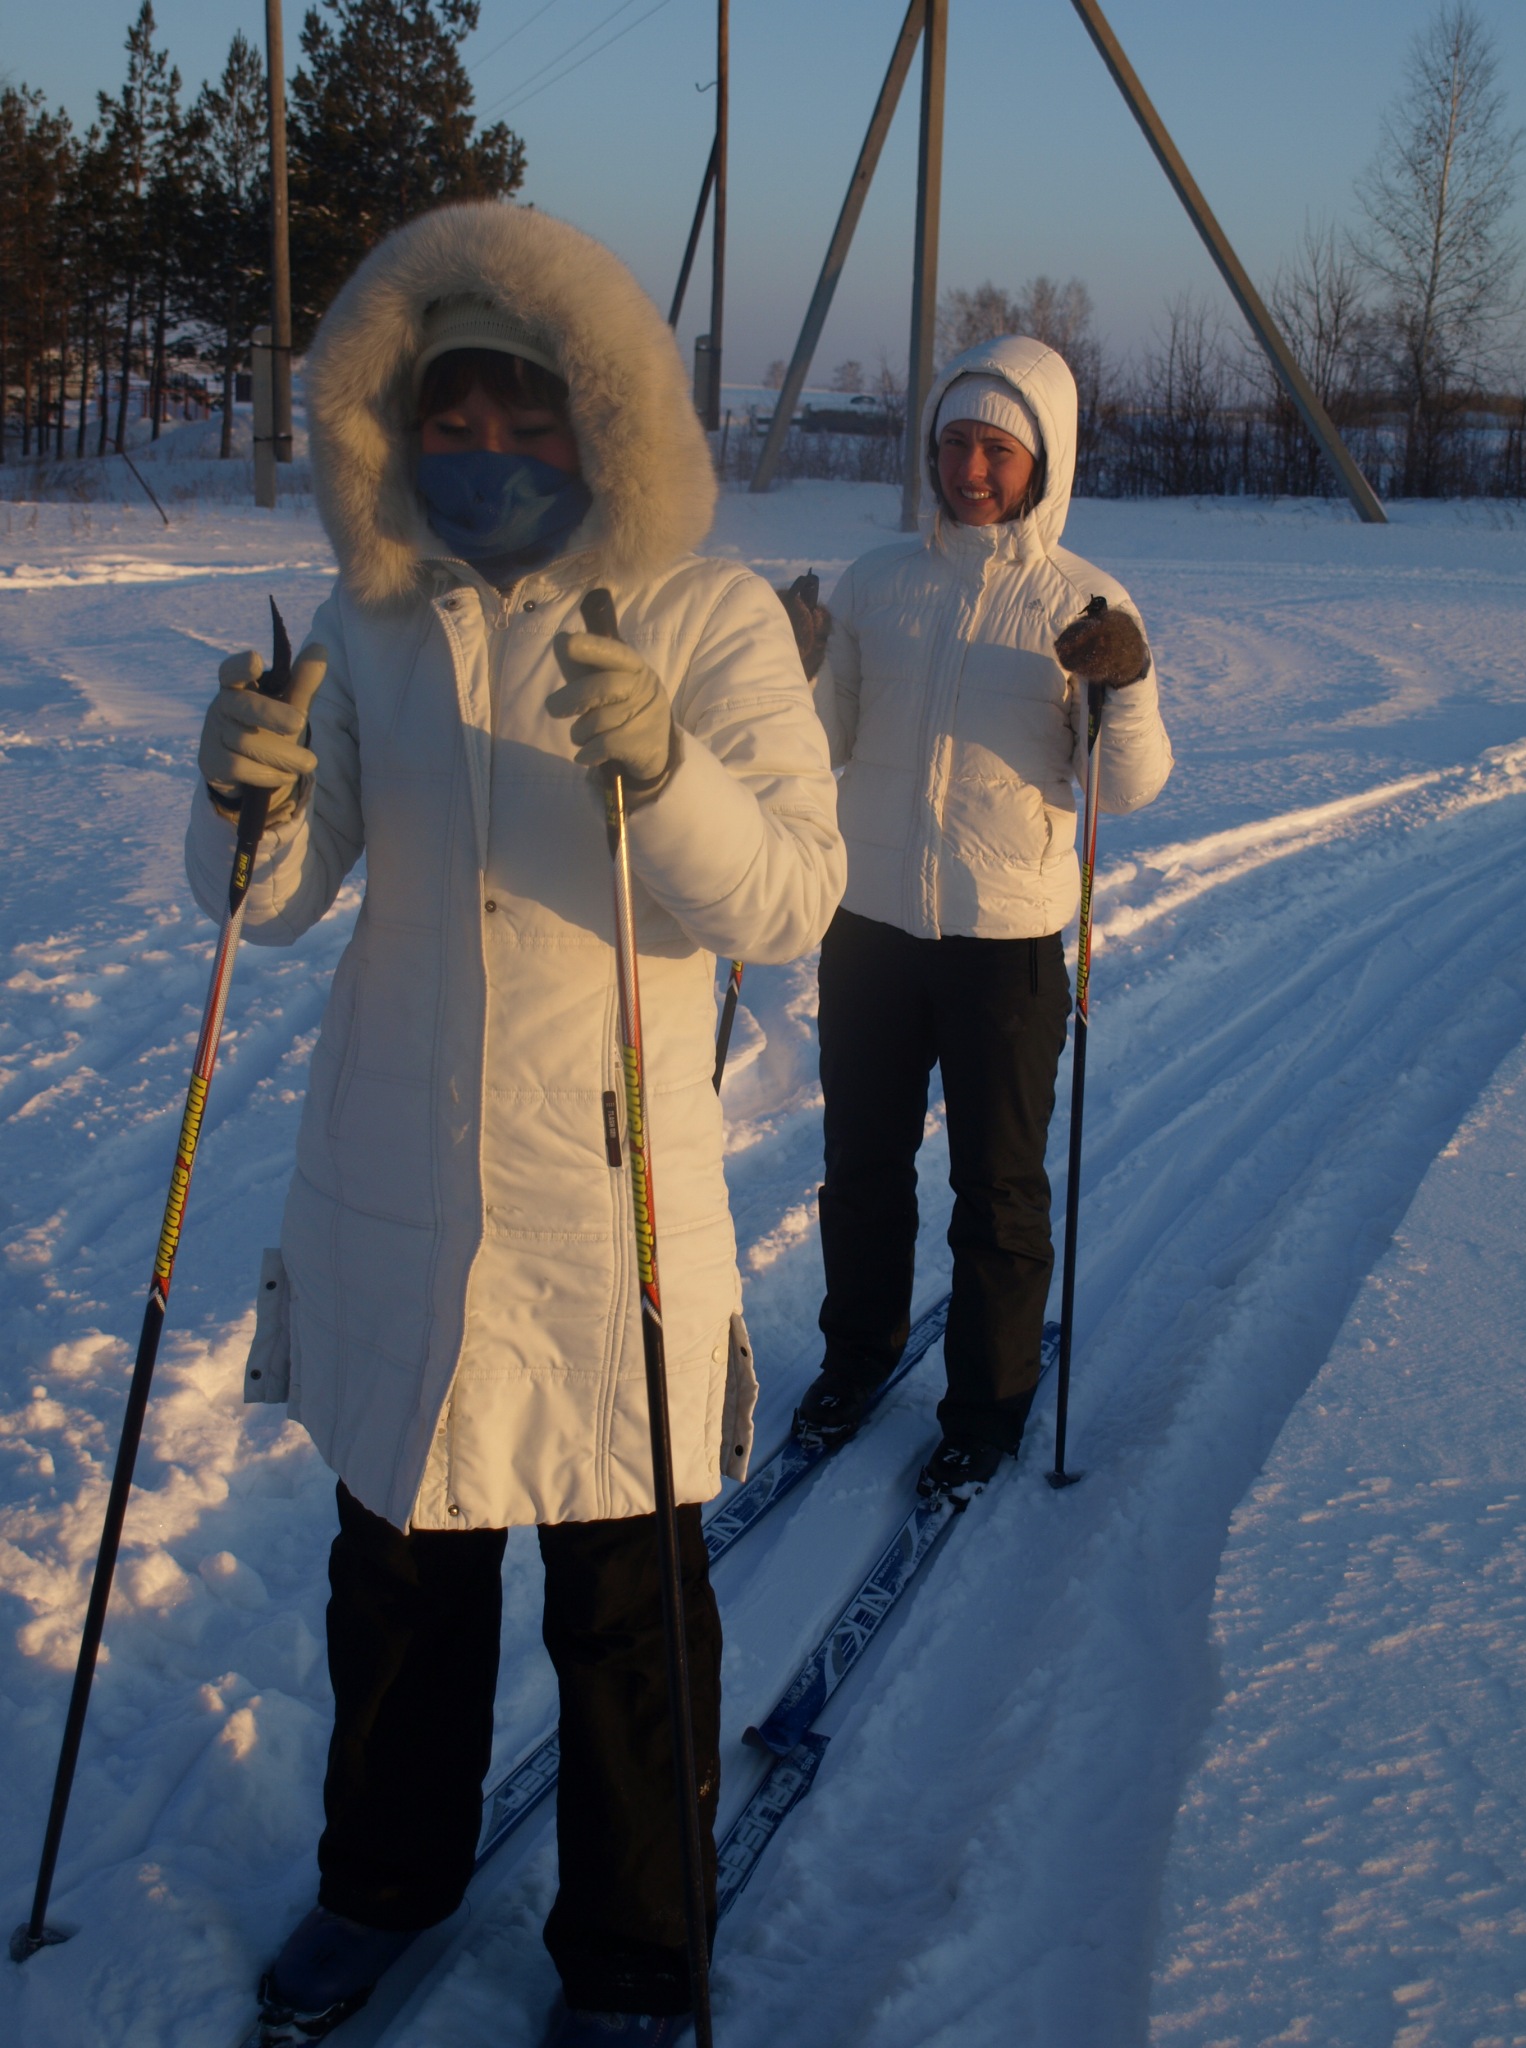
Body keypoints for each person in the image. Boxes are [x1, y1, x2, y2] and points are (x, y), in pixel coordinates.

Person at [186, 201, 843, 2048]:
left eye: (524, 413)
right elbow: (276, 902)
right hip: (395, 1181)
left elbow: (790, 894)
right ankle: (380, 1880)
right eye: (449, 417)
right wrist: (243, 798)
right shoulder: (373, 618)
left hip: (603, 1202)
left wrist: (668, 767)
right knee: (399, 1573)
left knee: (627, 1599)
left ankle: (637, 1949)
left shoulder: (706, 615)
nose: (485, 449)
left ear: (599, 413)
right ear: (396, 428)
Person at [794, 333, 1172, 1498]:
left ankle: (989, 1405)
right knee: (862, 1165)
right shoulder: (876, 582)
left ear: (1041, 460)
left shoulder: (1086, 600)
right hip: (868, 926)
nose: (971, 469)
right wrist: (797, 667)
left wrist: (1124, 684)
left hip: (1006, 941)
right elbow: (823, 743)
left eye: (997, 450)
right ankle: (855, 1359)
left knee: (998, 1186)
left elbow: (1125, 786)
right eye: (955, 443)